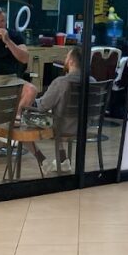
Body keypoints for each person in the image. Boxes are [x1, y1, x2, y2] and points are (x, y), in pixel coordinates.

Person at [0, 7, 44, 167]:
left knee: (32, 89)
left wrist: (8, 41)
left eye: (2, 21)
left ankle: (13, 120)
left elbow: (24, 59)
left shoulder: (14, 36)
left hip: (10, 78)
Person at [32, 46, 92, 175]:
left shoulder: (61, 82)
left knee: (22, 122)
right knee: (57, 115)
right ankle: (63, 160)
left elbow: (42, 106)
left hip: (61, 127)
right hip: (83, 127)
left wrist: (30, 100)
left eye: (67, 57)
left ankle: (42, 160)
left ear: (71, 61)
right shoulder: (92, 81)